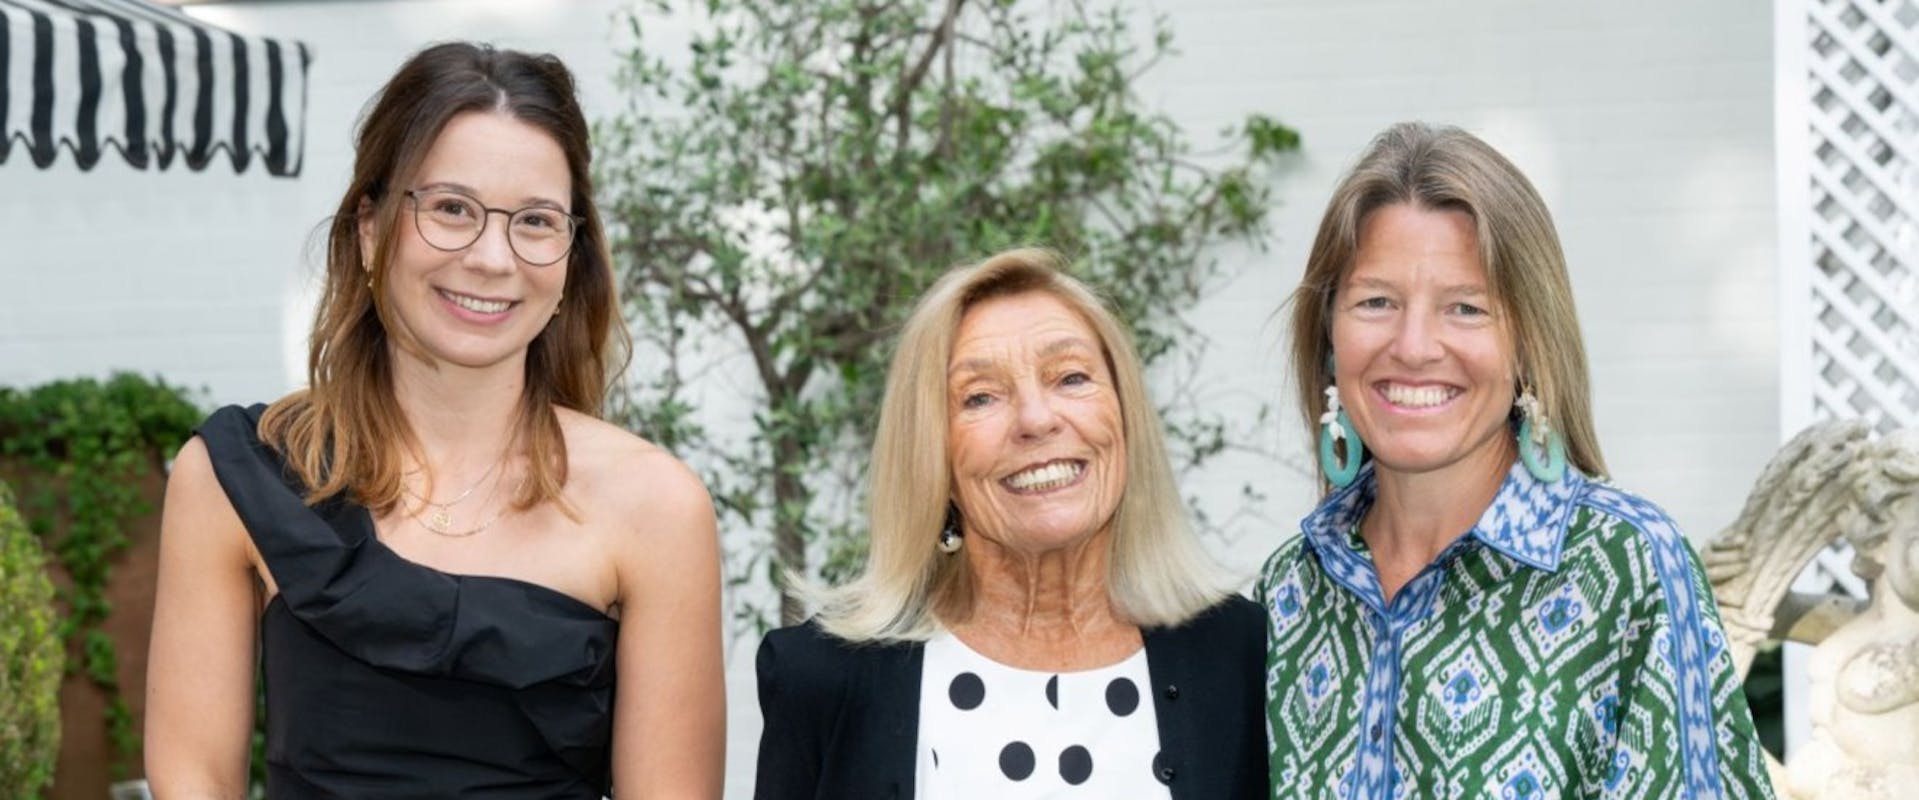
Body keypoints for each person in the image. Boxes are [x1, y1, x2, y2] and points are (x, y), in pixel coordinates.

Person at [145, 42, 724, 799]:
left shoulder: (657, 506)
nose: (492, 257)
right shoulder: (238, 476)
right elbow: (193, 778)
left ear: (571, 256)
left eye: (535, 221)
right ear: (370, 227)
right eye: (451, 208)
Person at [1258, 121, 1776, 799]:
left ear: (1529, 341)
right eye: (1376, 302)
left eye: (1465, 308)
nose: (1413, 346)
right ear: (1329, 334)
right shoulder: (1291, 590)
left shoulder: (1627, 567)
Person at [753, 248, 1267, 799]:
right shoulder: (823, 678)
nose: (1036, 420)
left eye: (1070, 377)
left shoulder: (1244, 657)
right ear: (934, 455)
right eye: (980, 397)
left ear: (1125, 417)